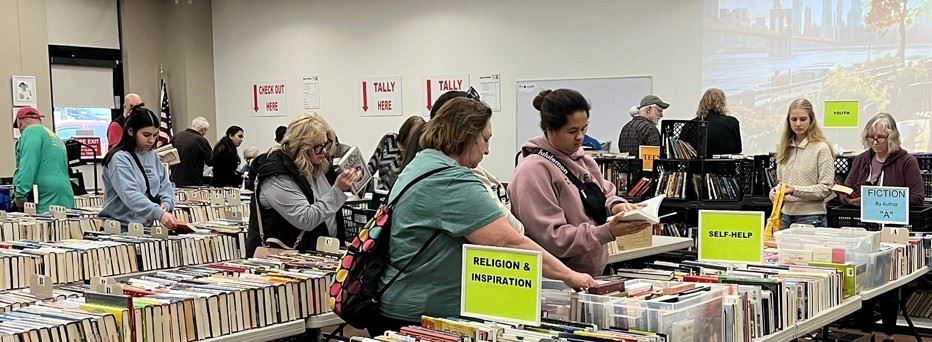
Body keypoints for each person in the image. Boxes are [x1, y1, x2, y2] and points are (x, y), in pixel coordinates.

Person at [374, 97, 596, 335]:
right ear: (466, 136)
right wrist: (570, 276)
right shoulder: (451, 181)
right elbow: (509, 241)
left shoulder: (422, 164)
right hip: (425, 314)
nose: (488, 149)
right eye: (485, 139)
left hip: (404, 301)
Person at [509, 89, 651, 276]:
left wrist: (617, 206)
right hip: (556, 281)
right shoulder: (533, 172)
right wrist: (606, 232)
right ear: (550, 129)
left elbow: (603, 192)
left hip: (590, 276)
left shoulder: (583, 159)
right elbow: (554, 239)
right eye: (572, 131)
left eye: (584, 128)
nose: (580, 137)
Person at [844, 113, 925, 341]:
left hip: (893, 231)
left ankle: (889, 335)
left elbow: (918, 197)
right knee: (865, 283)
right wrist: (852, 199)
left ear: (893, 137)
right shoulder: (862, 160)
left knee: (889, 285)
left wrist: (882, 198)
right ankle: (865, 333)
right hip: (865, 230)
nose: (875, 142)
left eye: (881, 137)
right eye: (871, 137)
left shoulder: (906, 160)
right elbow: (847, 190)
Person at [245, 113, 361, 257]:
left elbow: (325, 203)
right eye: (318, 147)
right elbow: (305, 219)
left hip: (318, 252)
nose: (324, 151)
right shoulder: (277, 174)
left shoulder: (317, 165)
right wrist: (338, 190)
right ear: (302, 147)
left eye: (326, 144)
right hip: (286, 259)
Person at [99, 107, 178, 229]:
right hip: (120, 228)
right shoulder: (119, 158)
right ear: (131, 131)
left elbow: (165, 186)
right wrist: (158, 213)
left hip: (144, 227)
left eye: (155, 135)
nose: (151, 140)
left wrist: (167, 203)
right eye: (146, 135)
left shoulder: (153, 156)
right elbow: (130, 194)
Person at [771, 98, 835, 228]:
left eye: (803, 119)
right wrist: (774, 192)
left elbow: (826, 188)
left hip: (811, 217)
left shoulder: (821, 148)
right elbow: (781, 182)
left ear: (811, 120)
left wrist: (794, 190)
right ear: (788, 121)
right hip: (784, 215)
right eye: (793, 119)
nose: (798, 124)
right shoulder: (784, 147)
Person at [12, 106, 75, 213]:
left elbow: (28, 165)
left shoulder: (30, 132)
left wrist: (20, 196)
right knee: (62, 227)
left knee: (43, 228)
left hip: (44, 196)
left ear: (20, 121)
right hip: (65, 193)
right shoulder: (53, 136)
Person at [691, 88, 741, 157]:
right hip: (726, 166)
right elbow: (738, 149)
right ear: (722, 103)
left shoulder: (691, 124)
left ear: (702, 102)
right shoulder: (731, 122)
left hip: (697, 166)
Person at [169, 116, 213, 187]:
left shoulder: (177, 136)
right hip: (193, 180)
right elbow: (210, 161)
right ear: (203, 129)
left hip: (175, 178)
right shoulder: (201, 140)